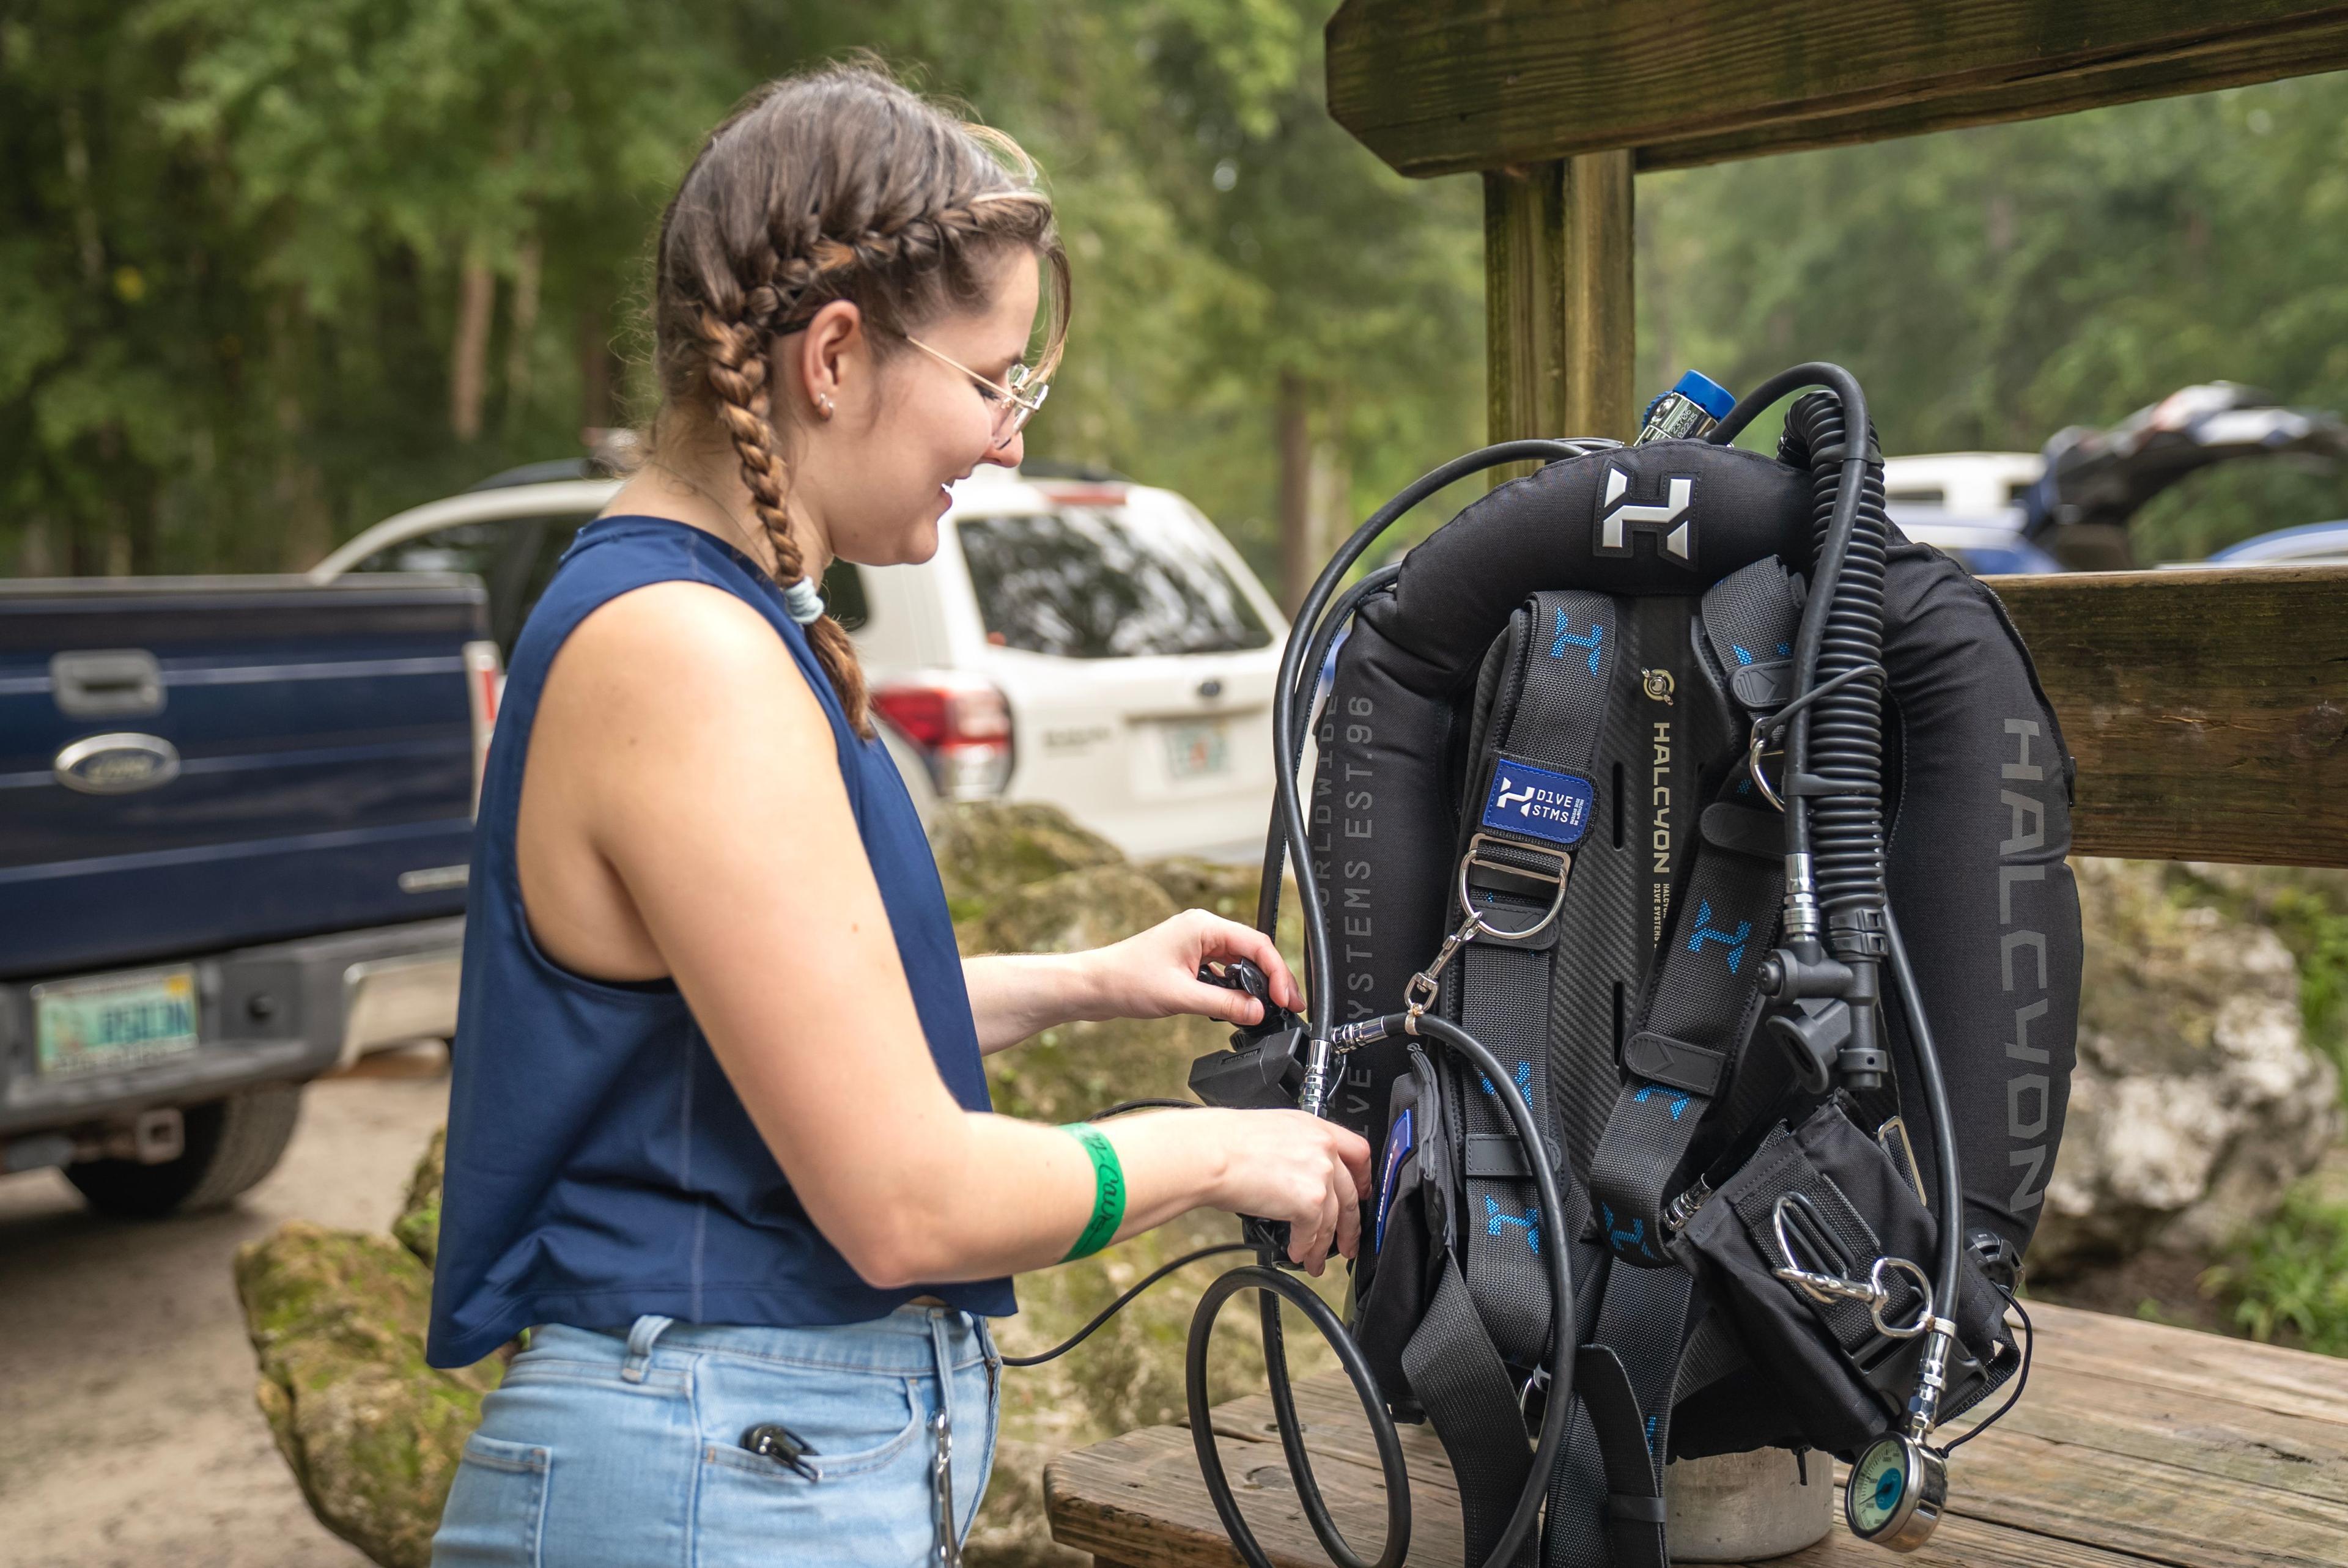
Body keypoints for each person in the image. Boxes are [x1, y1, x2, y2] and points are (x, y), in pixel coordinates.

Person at [424, 62, 1370, 1568]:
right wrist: (1217, 1157)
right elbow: (904, 1200)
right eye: (994, 382)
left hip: (736, 1467)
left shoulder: (705, 618)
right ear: (836, 354)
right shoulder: (684, 651)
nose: (1009, 440)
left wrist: (1085, 981)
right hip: (704, 1486)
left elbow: (773, 1031)